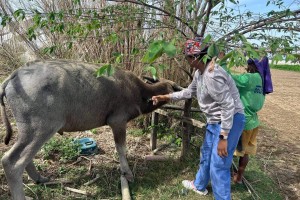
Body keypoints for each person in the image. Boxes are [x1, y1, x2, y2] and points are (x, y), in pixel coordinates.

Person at [151, 37, 245, 200]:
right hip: (214, 121)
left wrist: (224, 136)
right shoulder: (199, 73)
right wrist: (165, 97)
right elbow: (188, 92)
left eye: (187, 56)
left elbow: (228, 106)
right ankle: (200, 185)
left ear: (195, 58)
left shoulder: (213, 75)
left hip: (230, 121)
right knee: (207, 154)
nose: (186, 59)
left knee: (219, 164)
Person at [231, 57, 273, 184]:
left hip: (243, 121)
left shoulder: (250, 77)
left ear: (252, 65)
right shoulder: (262, 79)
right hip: (254, 121)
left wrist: (220, 62)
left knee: (232, 149)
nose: (246, 67)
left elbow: (230, 77)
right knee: (245, 153)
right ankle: (239, 177)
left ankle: (229, 175)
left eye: (248, 64)